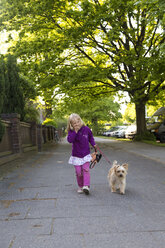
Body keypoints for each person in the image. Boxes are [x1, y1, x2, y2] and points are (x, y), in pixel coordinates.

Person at [67, 113, 97, 195]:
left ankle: (86, 186)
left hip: (86, 155)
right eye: (74, 123)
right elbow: (70, 140)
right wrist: (75, 132)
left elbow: (91, 137)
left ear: (80, 120)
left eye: (78, 121)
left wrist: (93, 144)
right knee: (78, 173)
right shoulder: (71, 131)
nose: (77, 124)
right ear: (71, 124)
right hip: (76, 156)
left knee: (86, 170)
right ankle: (80, 186)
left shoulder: (86, 129)